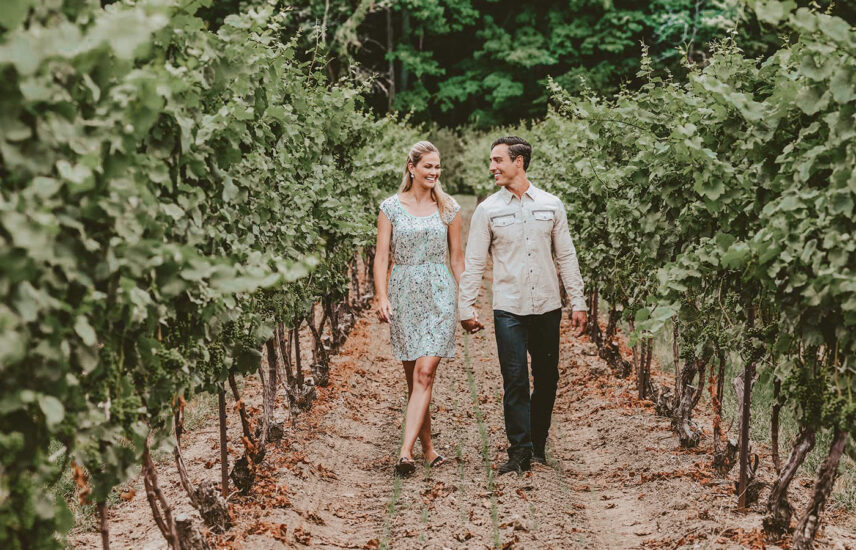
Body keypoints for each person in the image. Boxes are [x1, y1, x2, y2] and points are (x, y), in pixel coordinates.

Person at [458, 136, 587, 475]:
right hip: (509, 307)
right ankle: (519, 451)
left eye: (498, 160)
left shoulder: (551, 205)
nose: (492, 167)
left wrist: (579, 301)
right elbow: (474, 263)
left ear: (519, 162)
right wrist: (466, 307)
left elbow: (567, 256)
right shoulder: (488, 210)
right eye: (491, 160)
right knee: (514, 379)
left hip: (546, 305)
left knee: (547, 379)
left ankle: (539, 446)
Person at [373, 141, 464, 477]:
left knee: (426, 372)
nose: (434, 172)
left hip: (440, 291)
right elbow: (382, 257)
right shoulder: (390, 208)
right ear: (412, 167)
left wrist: (465, 300)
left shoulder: (449, 208)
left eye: (438, 167)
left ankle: (405, 451)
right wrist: (382, 296)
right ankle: (428, 448)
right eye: (429, 166)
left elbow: (457, 259)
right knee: (415, 381)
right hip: (404, 293)